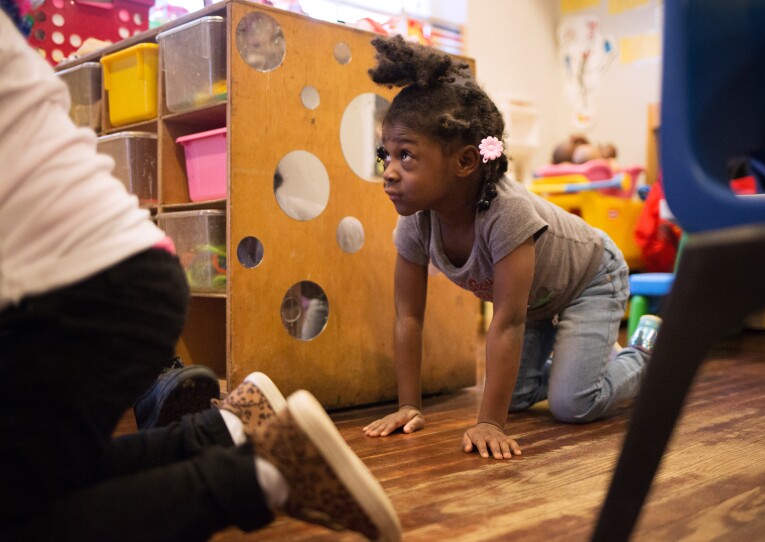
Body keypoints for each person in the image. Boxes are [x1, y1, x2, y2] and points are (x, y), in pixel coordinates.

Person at [0, 9, 399, 541]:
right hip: (130, 262)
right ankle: (227, 429)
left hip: (74, 289)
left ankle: (264, 477)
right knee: (42, 474)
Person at [362, 35, 661, 460]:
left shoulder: (507, 214)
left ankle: (644, 350)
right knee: (516, 398)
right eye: (385, 155)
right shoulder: (416, 220)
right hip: (535, 303)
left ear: (466, 162)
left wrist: (489, 422)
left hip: (589, 279)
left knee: (573, 404)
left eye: (406, 156)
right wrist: (409, 405)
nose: (389, 172)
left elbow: (508, 321)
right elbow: (408, 316)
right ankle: (582, 359)